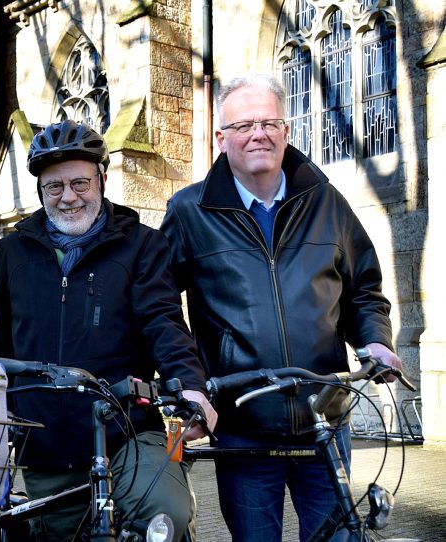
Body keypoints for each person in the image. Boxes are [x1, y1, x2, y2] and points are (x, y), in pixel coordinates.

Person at [160, 73, 402, 542]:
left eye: (269, 122)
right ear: (221, 137)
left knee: (339, 537)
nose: (259, 134)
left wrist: (375, 339)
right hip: (244, 424)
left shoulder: (326, 201)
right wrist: (187, 384)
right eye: (245, 124)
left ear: (286, 131)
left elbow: (364, 290)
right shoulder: (189, 211)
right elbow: (161, 308)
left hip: (324, 418)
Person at [0, 119, 217, 541]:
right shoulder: (14, 251)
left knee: (166, 519)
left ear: (102, 179)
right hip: (45, 441)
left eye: (80, 183)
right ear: (41, 192)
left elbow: (164, 323)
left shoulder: (142, 245)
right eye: (55, 187)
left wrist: (191, 386)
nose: (68, 197)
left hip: (127, 429)